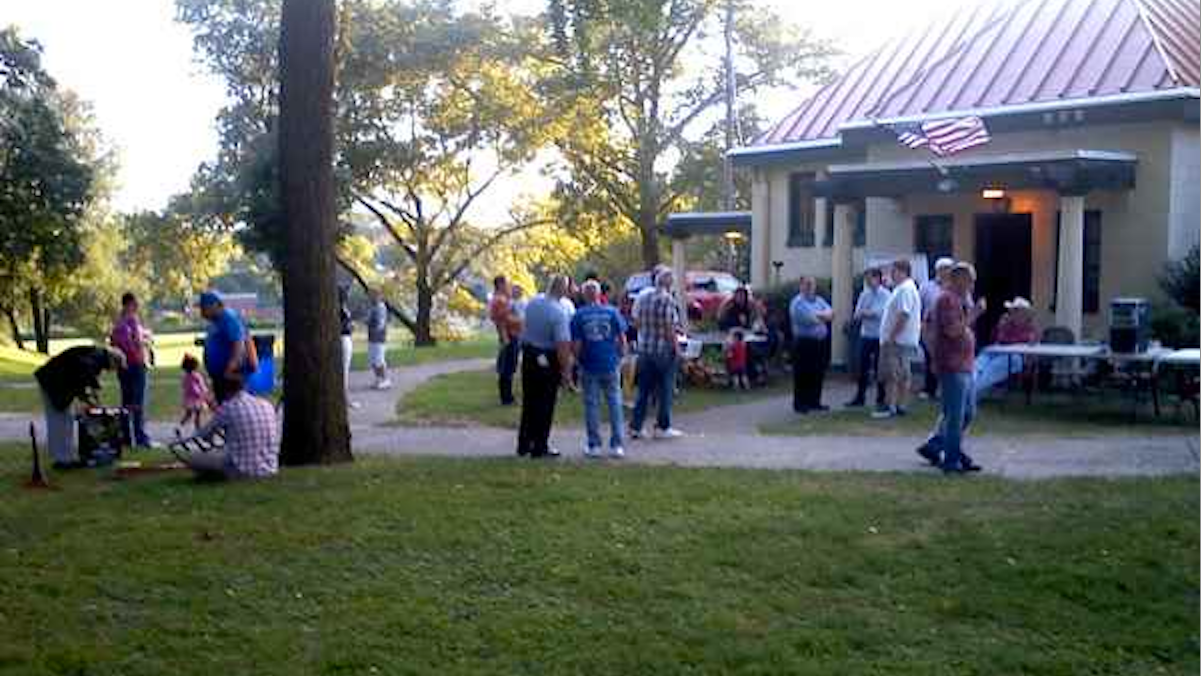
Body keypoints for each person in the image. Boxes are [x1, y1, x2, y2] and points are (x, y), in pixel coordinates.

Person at [921, 263, 984, 474]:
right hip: (952, 365)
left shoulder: (959, 300)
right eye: (970, 280)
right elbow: (953, 331)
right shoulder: (947, 300)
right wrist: (974, 314)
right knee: (955, 415)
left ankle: (943, 447)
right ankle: (951, 460)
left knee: (968, 412)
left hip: (965, 364)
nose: (973, 285)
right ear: (958, 279)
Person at [33, 346, 125, 468]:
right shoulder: (96, 357)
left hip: (58, 381)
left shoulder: (97, 356)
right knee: (59, 420)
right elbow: (82, 373)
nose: (113, 370)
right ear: (113, 360)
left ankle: (67, 456)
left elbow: (88, 377)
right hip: (52, 381)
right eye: (116, 367)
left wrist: (92, 395)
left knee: (67, 419)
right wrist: (87, 397)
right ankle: (62, 460)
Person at [516, 275, 574, 458]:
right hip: (547, 357)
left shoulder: (533, 302)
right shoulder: (559, 312)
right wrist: (566, 371)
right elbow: (562, 345)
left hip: (529, 354)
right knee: (545, 403)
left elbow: (524, 325)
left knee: (529, 401)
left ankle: (524, 443)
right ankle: (540, 445)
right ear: (563, 290)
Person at [178, 376, 279, 480]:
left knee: (192, 458)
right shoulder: (266, 404)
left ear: (221, 392)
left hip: (241, 470)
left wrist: (214, 408)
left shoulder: (227, 408)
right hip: (270, 468)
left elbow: (204, 435)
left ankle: (215, 475)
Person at [571, 279, 628, 458]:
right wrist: (621, 356)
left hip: (589, 364)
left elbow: (577, 343)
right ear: (598, 294)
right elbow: (622, 339)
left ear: (584, 295)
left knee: (591, 404)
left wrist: (577, 360)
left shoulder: (579, 316)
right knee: (614, 404)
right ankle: (617, 445)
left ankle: (594, 444)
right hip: (610, 362)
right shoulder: (611, 312)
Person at [630, 269, 684, 439]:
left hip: (645, 348)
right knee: (666, 388)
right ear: (668, 283)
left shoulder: (644, 298)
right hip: (663, 350)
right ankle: (662, 426)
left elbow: (636, 321)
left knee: (644, 389)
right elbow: (670, 328)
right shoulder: (667, 300)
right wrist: (677, 348)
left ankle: (636, 426)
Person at [873, 259, 922, 419]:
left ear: (902, 271)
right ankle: (900, 406)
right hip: (902, 339)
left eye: (893, 271)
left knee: (892, 374)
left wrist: (892, 336)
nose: (891, 275)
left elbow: (904, 314)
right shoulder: (902, 288)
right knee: (901, 374)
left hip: (897, 341)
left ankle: (891, 406)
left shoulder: (905, 289)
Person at [972, 297, 1039, 401]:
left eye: (1016, 310)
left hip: (1016, 357)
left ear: (1025, 314)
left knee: (992, 369)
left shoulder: (1031, 327)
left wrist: (1011, 341)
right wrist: (1001, 327)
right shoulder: (1006, 323)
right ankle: (969, 388)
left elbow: (1030, 344)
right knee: (979, 363)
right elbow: (998, 338)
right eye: (1013, 310)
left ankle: (970, 391)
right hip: (997, 351)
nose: (1013, 313)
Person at [109, 292, 154, 447]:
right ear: (129, 304)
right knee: (138, 402)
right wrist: (144, 343)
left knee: (126, 401)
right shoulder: (132, 320)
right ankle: (140, 436)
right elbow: (136, 342)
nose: (137, 307)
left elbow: (115, 342)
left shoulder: (117, 322)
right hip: (136, 364)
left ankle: (126, 435)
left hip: (123, 365)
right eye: (135, 304)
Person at [847, 269, 891, 408]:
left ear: (878, 279)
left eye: (870, 278)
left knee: (880, 368)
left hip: (879, 336)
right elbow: (857, 314)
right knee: (863, 367)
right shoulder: (864, 295)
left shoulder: (886, 295)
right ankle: (860, 397)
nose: (867, 281)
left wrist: (868, 313)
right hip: (866, 335)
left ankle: (881, 398)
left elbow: (882, 313)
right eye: (866, 279)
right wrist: (868, 313)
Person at [788, 277, 833, 413]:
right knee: (803, 374)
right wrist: (822, 316)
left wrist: (822, 316)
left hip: (819, 343)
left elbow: (831, 313)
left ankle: (815, 402)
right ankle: (800, 404)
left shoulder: (819, 300)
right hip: (803, 343)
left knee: (817, 373)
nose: (809, 287)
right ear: (801, 286)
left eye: (811, 285)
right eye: (806, 284)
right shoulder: (797, 303)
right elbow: (810, 319)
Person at [199, 291, 249, 404]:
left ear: (215, 305)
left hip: (228, 375)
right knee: (223, 408)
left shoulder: (228, 319)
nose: (201, 312)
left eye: (203, 308)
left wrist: (231, 368)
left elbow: (239, 344)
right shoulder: (216, 321)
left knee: (231, 407)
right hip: (219, 375)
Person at [919, 257, 954, 399]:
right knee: (931, 358)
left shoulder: (955, 287)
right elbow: (919, 306)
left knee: (948, 359)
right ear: (938, 270)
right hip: (930, 328)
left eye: (949, 269)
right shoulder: (926, 287)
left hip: (950, 327)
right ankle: (930, 389)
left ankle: (947, 389)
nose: (947, 272)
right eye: (944, 269)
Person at [489, 276, 519, 405]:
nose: (508, 286)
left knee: (508, 367)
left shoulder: (502, 299)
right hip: (509, 336)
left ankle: (508, 396)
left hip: (509, 335)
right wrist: (521, 321)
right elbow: (503, 320)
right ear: (500, 285)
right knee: (507, 368)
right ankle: (507, 398)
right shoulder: (500, 300)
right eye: (506, 284)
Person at [338, 286, 360, 409]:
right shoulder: (339, 309)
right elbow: (340, 327)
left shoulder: (343, 308)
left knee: (344, 371)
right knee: (343, 372)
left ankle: (344, 398)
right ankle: (344, 400)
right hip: (343, 340)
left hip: (346, 339)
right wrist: (348, 327)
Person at [366, 288, 392, 390]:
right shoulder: (373, 307)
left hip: (378, 338)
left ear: (377, 296)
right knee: (373, 360)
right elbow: (369, 320)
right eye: (369, 296)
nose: (369, 298)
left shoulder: (380, 307)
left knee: (379, 360)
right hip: (372, 337)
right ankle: (378, 379)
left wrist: (376, 330)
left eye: (371, 296)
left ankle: (386, 380)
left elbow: (381, 324)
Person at [179, 353, 212, 431]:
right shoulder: (196, 376)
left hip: (188, 398)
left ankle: (180, 426)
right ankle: (198, 429)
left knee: (188, 414)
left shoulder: (185, 376)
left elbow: (185, 386)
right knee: (197, 415)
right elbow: (198, 386)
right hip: (196, 399)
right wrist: (203, 393)